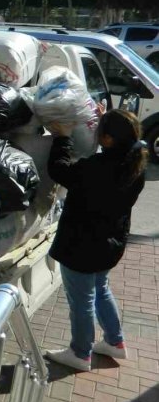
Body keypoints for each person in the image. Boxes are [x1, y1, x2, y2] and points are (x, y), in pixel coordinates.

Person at [44, 109, 146, 372]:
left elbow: (59, 171)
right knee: (100, 289)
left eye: (101, 130)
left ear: (109, 139)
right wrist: (105, 121)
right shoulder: (134, 164)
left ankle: (80, 353)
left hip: (82, 246)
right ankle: (115, 342)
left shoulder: (96, 168)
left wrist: (62, 137)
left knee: (82, 300)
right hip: (109, 244)